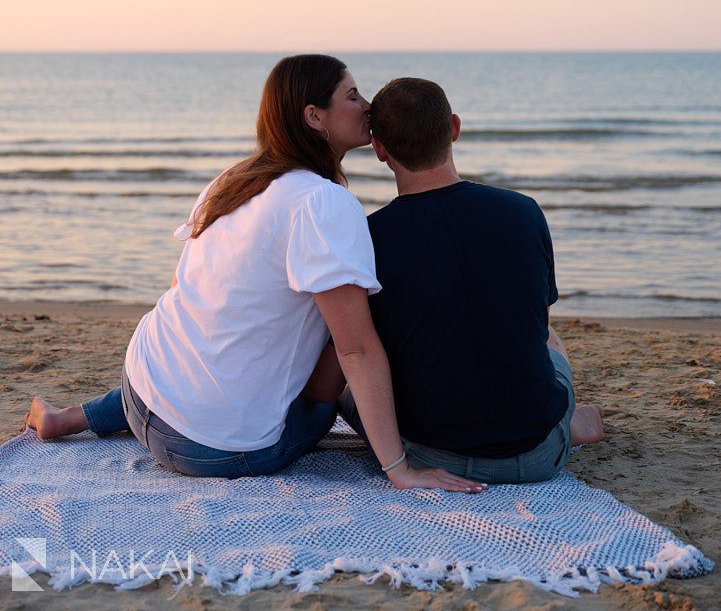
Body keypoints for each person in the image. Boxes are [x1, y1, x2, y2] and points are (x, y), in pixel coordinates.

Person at [25, 56, 482, 494]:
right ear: (314, 116)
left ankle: (69, 418)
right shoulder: (323, 202)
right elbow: (356, 349)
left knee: (210, 335)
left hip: (141, 387)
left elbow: (182, 293)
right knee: (349, 332)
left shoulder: (234, 179)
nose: (368, 106)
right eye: (353, 95)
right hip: (212, 449)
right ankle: (81, 417)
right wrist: (399, 468)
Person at [341, 77, 604, 485]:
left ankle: (564, 427)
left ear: (379, 150)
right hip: (538, 456)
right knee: (549, 337)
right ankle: (566, 427)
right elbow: (532, 320)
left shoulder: (369, 237)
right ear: (455, 129)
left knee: (350, 372)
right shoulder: (523, 212)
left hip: (427, 455)